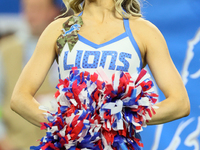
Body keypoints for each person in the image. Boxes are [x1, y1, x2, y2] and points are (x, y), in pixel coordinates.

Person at [10, 0, 190, 149]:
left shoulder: (143, 31)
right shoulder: (60, 29)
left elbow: (179, 103)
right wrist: (64, 123)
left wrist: (122, 119)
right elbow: (19, 98)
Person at [0, 0, 73, 149]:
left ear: (55, 11)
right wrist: (2, 138)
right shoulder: (6, 50)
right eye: (27, 9)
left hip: (62, 144)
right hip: (17, 145)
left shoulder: (74, 50)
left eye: (37, 9)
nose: (31, 15)